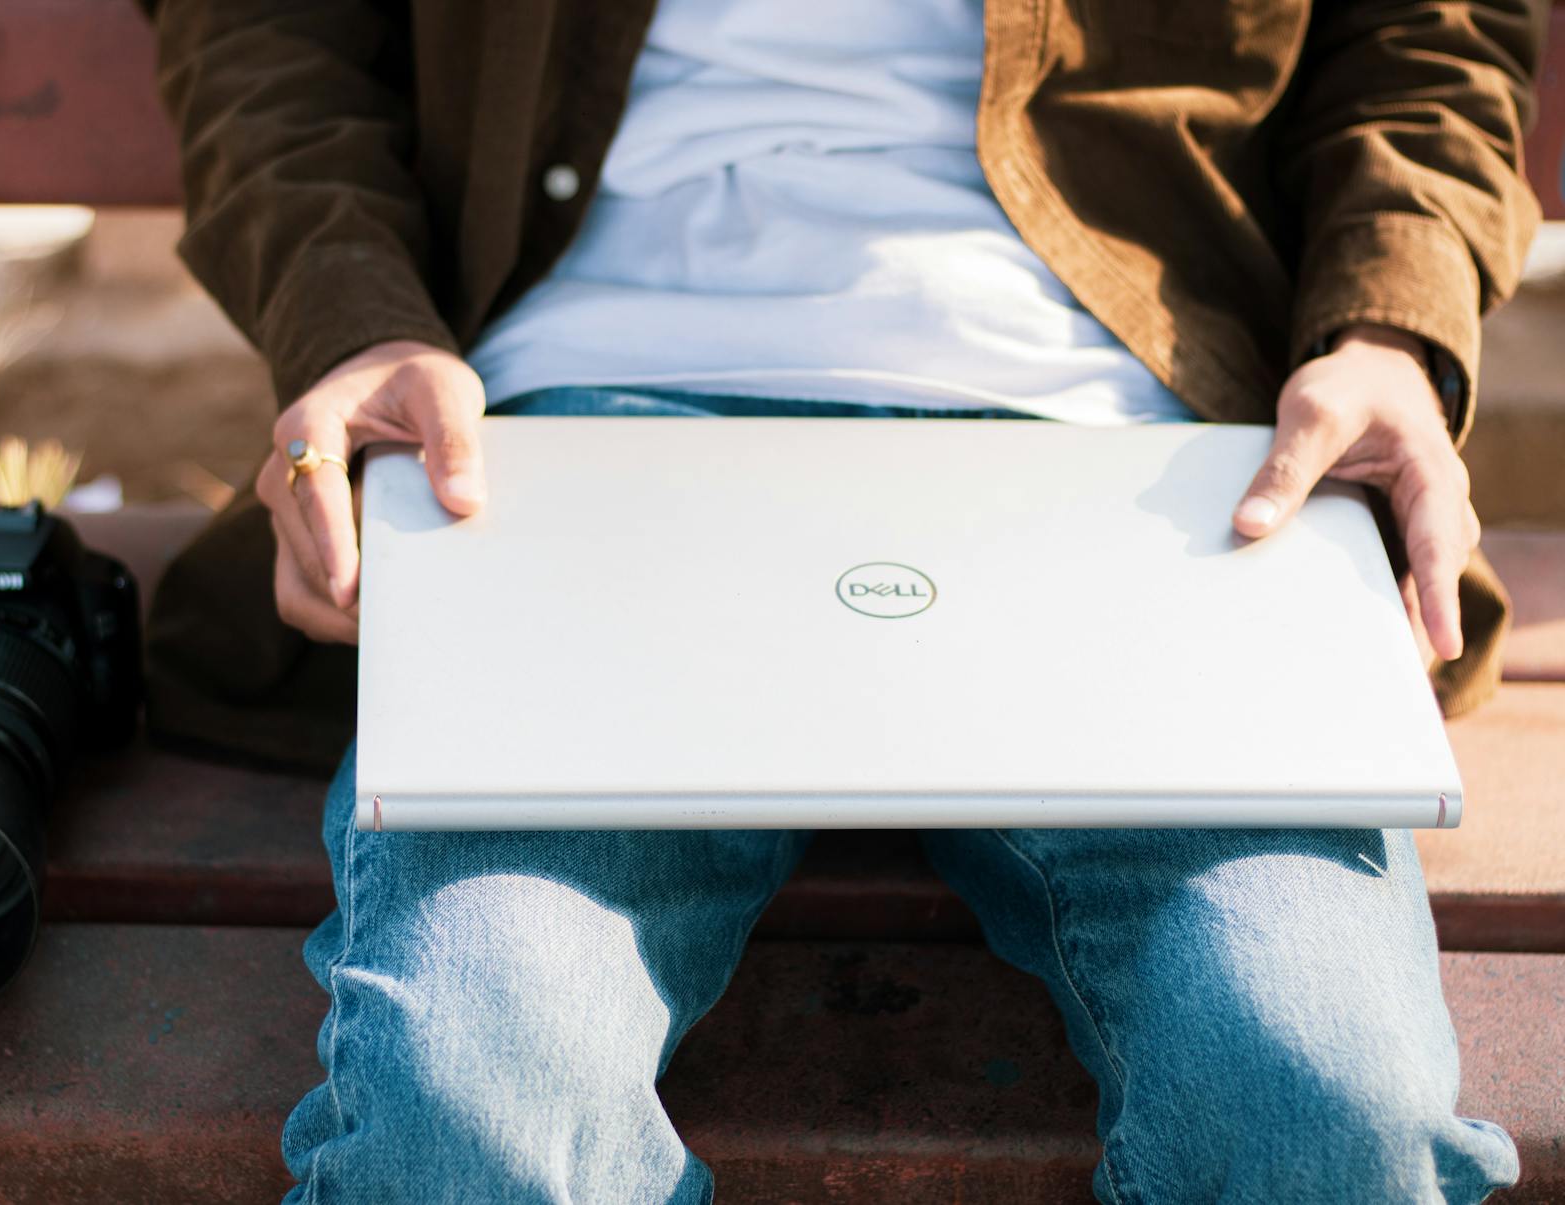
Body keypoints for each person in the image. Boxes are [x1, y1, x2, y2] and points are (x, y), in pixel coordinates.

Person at [135, 0, 1545, 1199]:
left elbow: (1428, 36)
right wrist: (355, 321)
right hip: (558, 444)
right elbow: (268, 28)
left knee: (1327, 1112)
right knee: (469, 1114)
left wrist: (1390, 333)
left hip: (1147, 461)